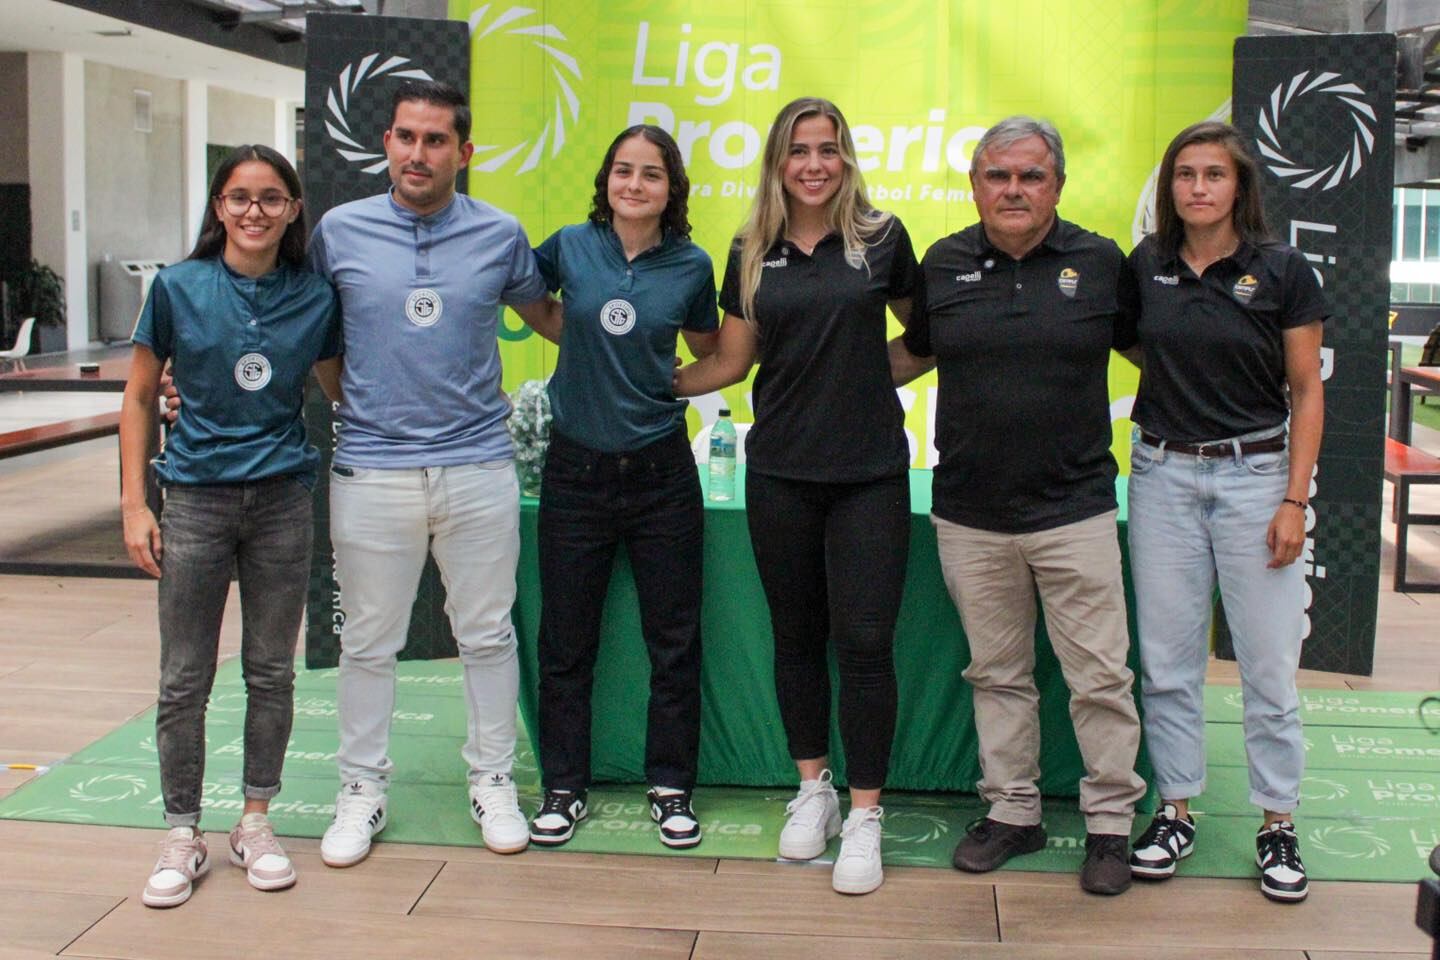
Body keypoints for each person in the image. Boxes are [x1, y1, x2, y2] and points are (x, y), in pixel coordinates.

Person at [890, 116, 1145, 896]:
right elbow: (912, 354)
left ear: (1057, 185)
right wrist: (815, 372)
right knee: (997, 675)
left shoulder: (1102, 262)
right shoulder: (943, 263)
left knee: (1100, 678)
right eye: (997, 175)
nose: (1013, 189)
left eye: (1031, 175)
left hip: (1076, 510)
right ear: (974, 185)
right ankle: (1013, 812)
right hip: (971, 514)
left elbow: (1154, 351)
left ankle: (1110, 824)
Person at [674, 96, 918, 895]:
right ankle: (814, 789)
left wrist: (862, 376)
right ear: (778, 162)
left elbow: (924, 337)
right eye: (799, 150)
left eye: (828, 148)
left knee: (867, 643)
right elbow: (731, 362)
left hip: (869, 474)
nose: (815, 164)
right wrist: (650, 383)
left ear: (846, 159)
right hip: (780, 472)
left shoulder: (883, 238)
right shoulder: (750, 248)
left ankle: (867, 815)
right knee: (797, 637)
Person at [310, 81, 557, 866]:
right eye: (406, 137)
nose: (419, 153)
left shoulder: (500, 234)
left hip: (477, 465)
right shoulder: (338, 232)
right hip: (372, 470)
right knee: (367, 642)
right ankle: (360, 788)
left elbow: (552, 316)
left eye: (436, 140)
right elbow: (319, 343)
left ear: (464, 151)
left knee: (486, 634)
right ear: (387, 142)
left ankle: (493, 779)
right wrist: (364, 410)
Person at [120, 145, 340, 907]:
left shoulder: (316, 296)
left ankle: (255, 820)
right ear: (219, 207)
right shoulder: (177, 287)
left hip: (282, 500)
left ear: (293, 209)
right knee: (184, 677)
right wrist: (135, 504)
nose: (255, 210)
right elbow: (139, 396)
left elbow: (343, 388)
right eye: (240, 197)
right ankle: (182, 831)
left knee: (270, 671)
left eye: (271, 197)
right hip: (194, 500)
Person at [1120, 120, 1325, 902]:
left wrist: (1294, 499)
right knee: (1167, 662)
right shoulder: (1147, 264)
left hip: (1257, 478)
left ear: (1240, 186)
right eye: (1185, 174)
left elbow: (1306, 389)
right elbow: (1138, 345)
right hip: (1162, 474)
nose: (1198, 187)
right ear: (1169, 186)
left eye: (1214, 174)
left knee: (1268, 666)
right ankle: (1175, 811)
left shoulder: (1282, 269)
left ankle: (1278, 824)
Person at [525, 125, 719, 850]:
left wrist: (669, 384)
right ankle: (563, 787)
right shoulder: (570, 246)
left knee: (674, 641)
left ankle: (671, 787)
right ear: (606, 180)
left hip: (662, 473)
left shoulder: (692, 265)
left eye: (651, 174)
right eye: (623, 171)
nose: (634, 184)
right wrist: (577, 341)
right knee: (566, 641)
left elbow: (707, 350)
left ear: (672, 189)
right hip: (575, 472)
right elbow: (535, 303)